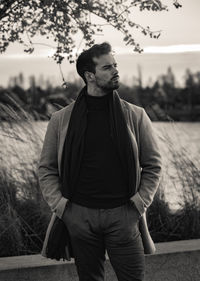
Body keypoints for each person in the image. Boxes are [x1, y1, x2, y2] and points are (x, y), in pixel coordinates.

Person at [38, 42, 162, 281]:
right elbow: (47, 168)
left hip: (123, 215)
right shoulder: (61, 120)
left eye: (115, 65)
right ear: (90, 76)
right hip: (80, 216)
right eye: (107, 67)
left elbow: (153, 165)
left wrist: (139, 204)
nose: (116, 71)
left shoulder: (135, 115)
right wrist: (64, 209)